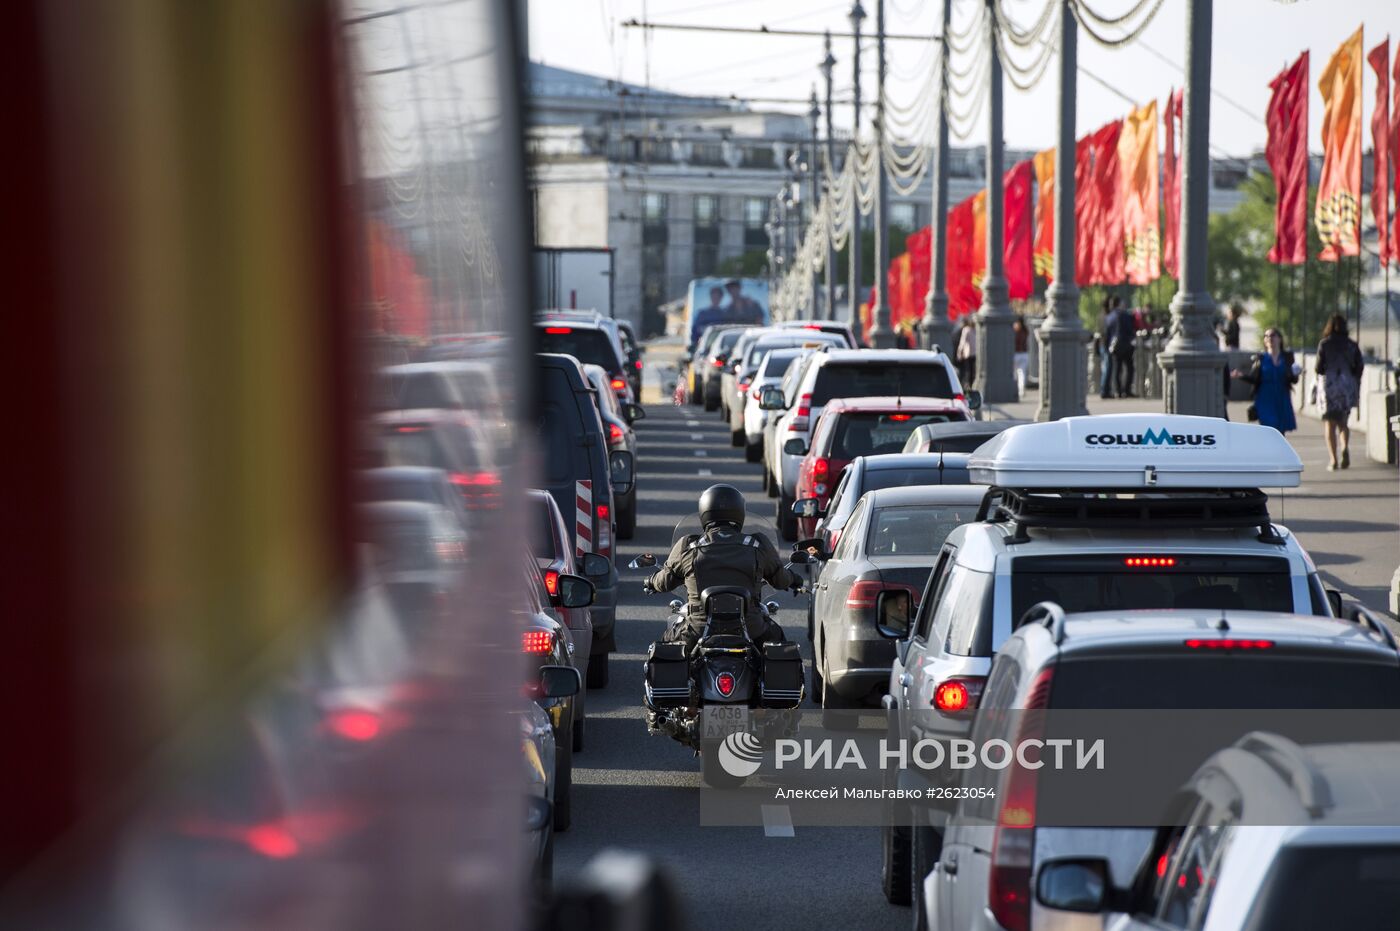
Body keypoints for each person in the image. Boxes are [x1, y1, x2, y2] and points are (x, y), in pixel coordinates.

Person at [645, 484, 800, 650]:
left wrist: (650, 580)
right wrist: (795, 578)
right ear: (740, 512)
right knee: (780, 647)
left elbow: (665, 582)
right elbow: (780, 580)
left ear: (704, 511)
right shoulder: (758, 544)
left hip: (697, 629)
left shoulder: (688, 546)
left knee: (664, 650)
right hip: (751, 628)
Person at [1315, 312, 1364, 470]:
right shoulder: (1352, 345)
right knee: (1343, 422)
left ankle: (1333, 459)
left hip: (1330, 387)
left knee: (1329, 424)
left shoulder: (1325, 344)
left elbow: (1318, 367)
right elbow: (1359, 366)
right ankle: (1344, 447)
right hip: (1346, 386)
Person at [1231, 328, 1299, 435]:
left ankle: (1279, 451)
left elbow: (1293, 380)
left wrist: (1296, 373)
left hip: (1282, 398)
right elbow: (1254, 379)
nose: (1269, 338)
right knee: (1269, 428)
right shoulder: (1261, 358)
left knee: (1280, 431)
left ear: (1279, 339)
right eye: (1266, 336)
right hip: (1264, 399)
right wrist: (1241, 376)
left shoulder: (1287, 357)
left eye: (1272, 335)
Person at [956, 317, 977, 387]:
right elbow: (963, 342)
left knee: (970, 370)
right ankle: (969, 384)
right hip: (969, 353)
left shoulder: (972, 330)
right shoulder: (968, 330)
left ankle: (969, 384)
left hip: (971, 353)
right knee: (970, 370)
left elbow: (962, 342)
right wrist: (959, 352)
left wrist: (959, 352)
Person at [1011, 316, 1030, 399]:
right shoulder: (1025, 331)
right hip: (1024, 354)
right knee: (1022, 373)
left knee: (1015, 373)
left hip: (1016, 354)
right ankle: (1021, 390)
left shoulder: (1015, 332)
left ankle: (1016, 390)